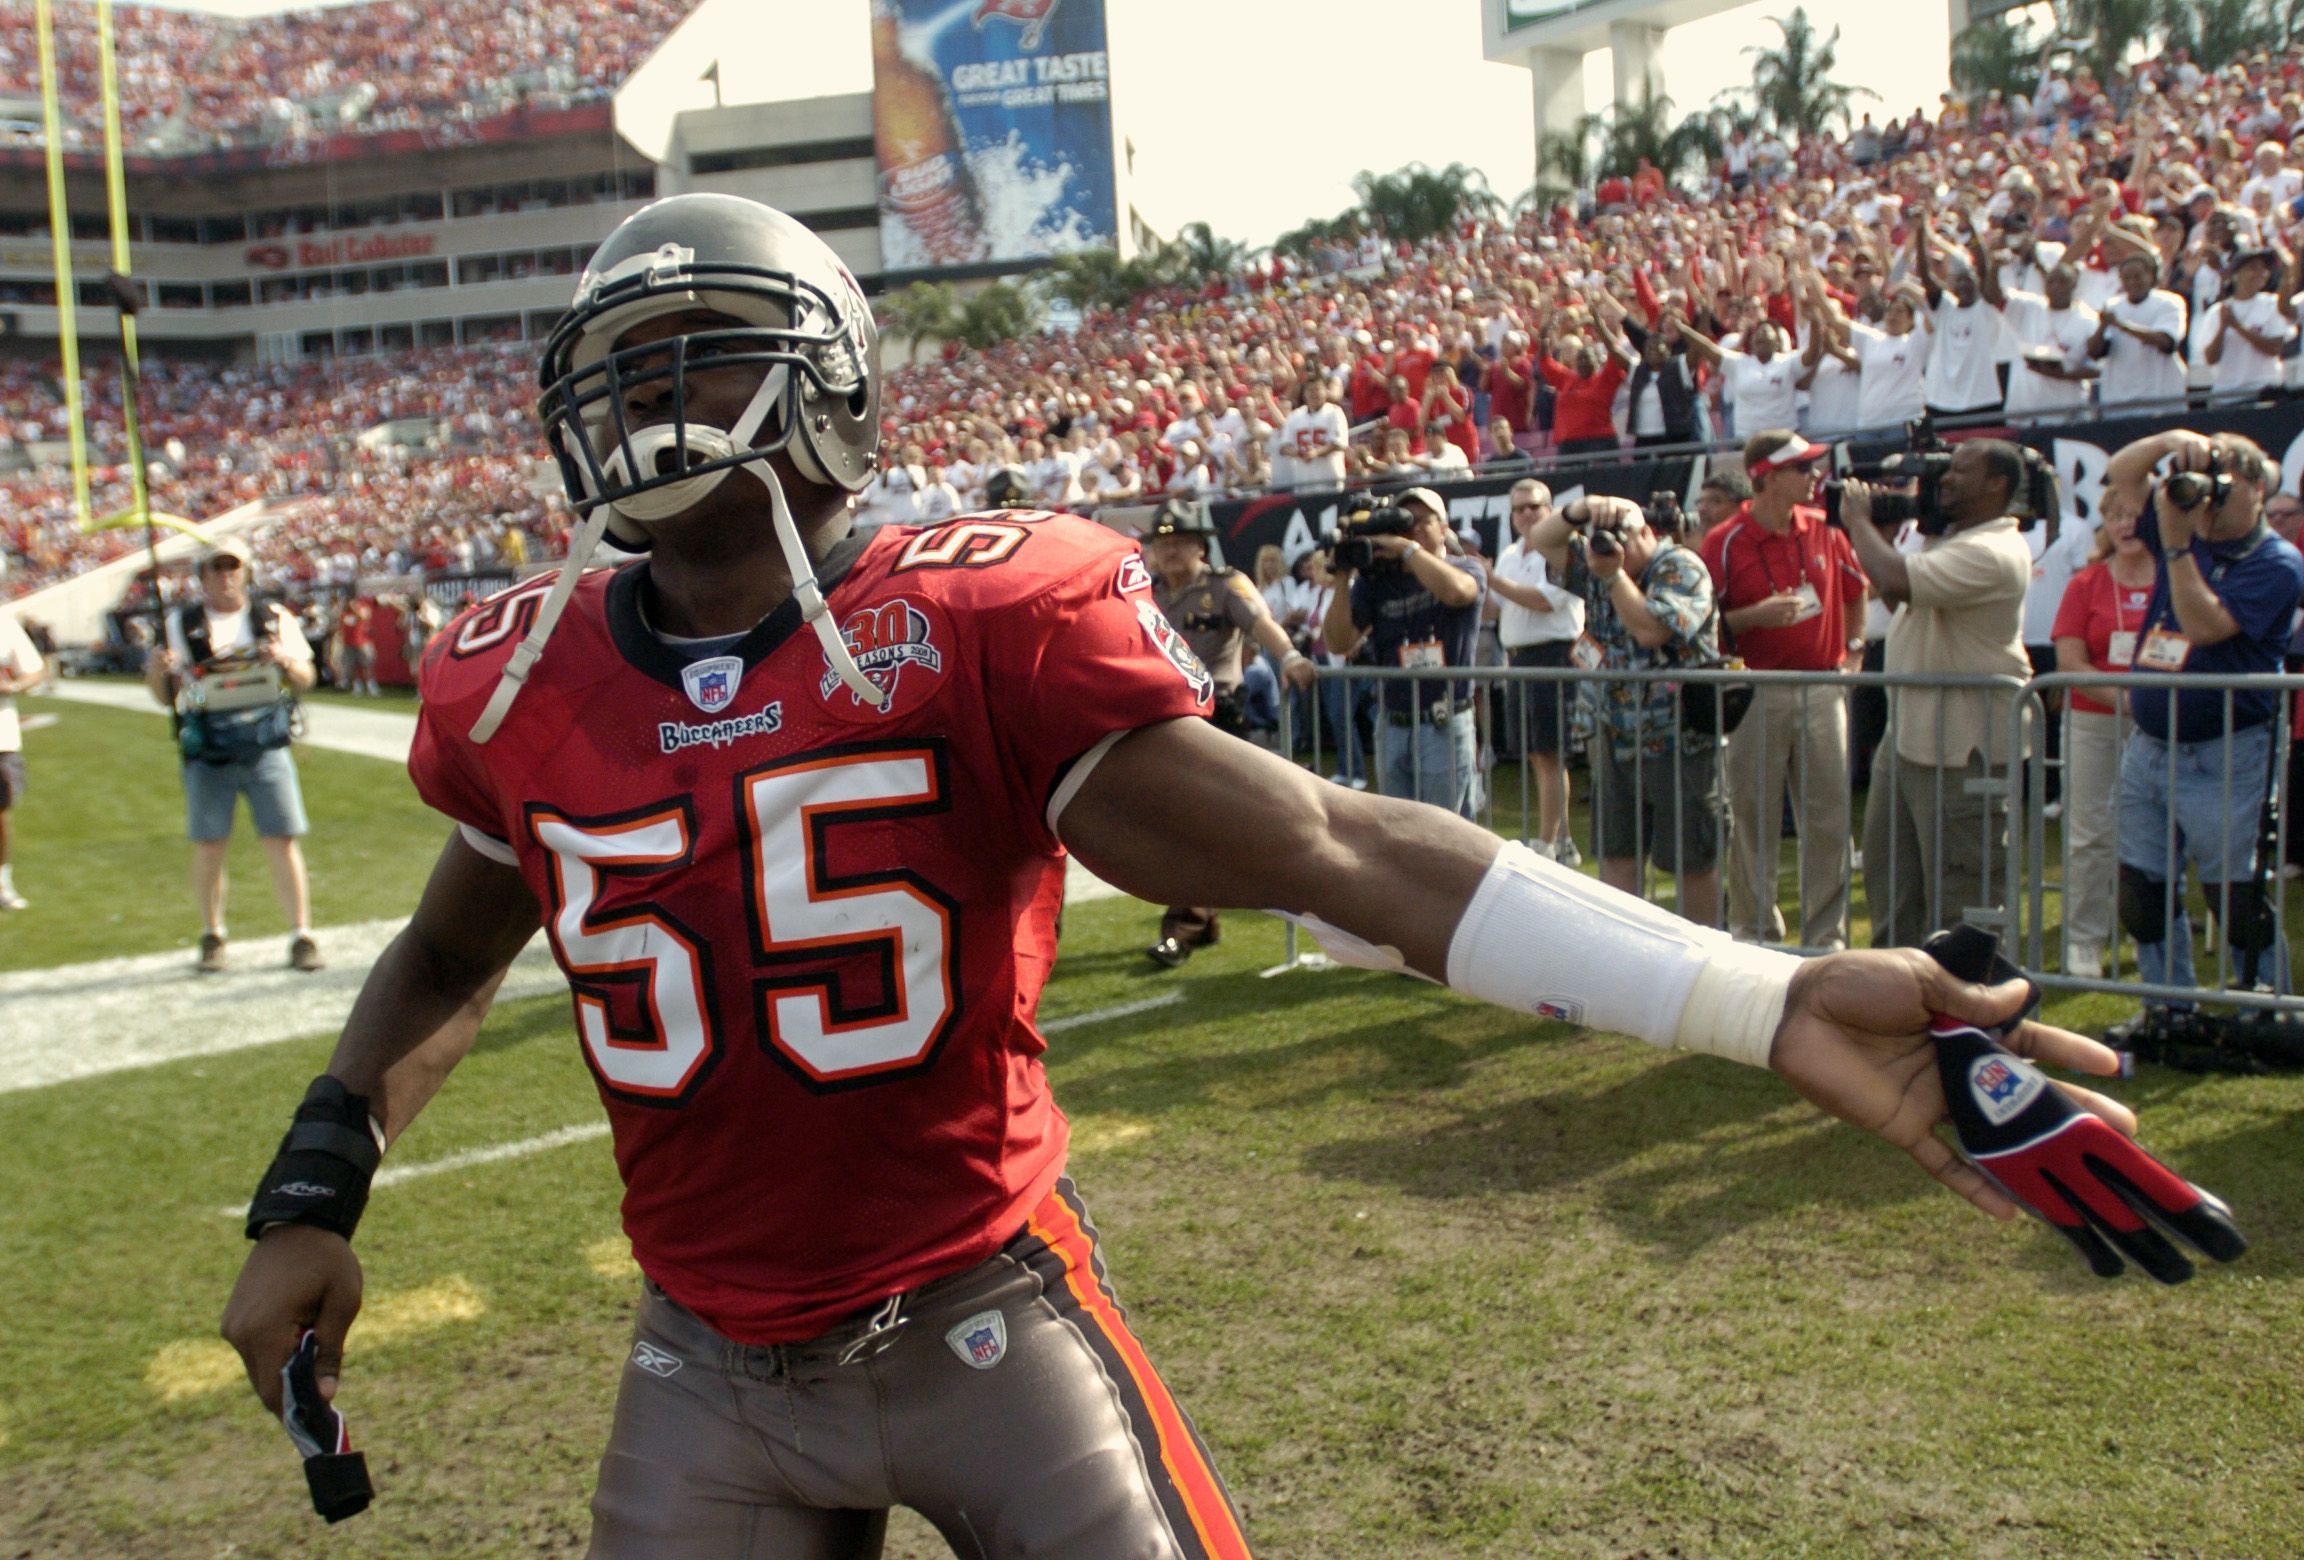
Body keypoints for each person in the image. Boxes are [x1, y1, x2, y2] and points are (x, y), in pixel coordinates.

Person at [220, 195, 2141, 1560]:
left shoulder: (969, 617)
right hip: (700, 1359)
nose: (651, 408)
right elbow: (451, 948)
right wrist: (318, 1178)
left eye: (700, 359)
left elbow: (1334, 850)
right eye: (620, 370)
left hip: (980, 1316)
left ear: (825, 386)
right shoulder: (522, 670)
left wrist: (1759, 995)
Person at [2100, 429, 2304, 1011]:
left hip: (2229, 749)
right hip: (2152, 742)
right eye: (2205, 493)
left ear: (2260, 492)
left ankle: (2264, 1008)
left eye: (2224, 494)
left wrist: (2176, 547)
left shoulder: (2277, 562)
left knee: (2233, 895)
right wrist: (2170, 440)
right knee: (2142, 890)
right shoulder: (2184, 532)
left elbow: (2205, 627)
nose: (2208, 507)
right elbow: (2121, 471)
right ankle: (2168, 1006)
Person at [1842, 443, 2034, 948]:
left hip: (1963, 748)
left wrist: (1858, 520)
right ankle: (1897, 1004)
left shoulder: (1992, 550)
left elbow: (1895, 580)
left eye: (1960, 471)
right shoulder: (1952, 542)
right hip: (1908, 738)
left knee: (1962, 896)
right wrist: (1881, 536)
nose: (1945, 479)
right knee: (1892, 885)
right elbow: (1903, 597)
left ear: (1997, 484)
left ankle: (1973, 1012)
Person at [1700, 432, 1869, 950]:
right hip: (1755, 689)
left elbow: (1857, 593)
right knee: (1753, 818)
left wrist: (1854, 656)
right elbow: (1703, 623)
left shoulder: (1825, 529)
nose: (1815, 475)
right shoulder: (1724, 540)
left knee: (1829, 818)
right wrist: (1752, 617)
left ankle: (1826, 937)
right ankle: (1754, 933)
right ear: (1767, 476)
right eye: (1803, 467)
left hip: (1823, 686)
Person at [1528, 494, 1722, 927]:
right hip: (1615, 735)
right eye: (1604, 541)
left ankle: (1707, 958)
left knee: (1692, 857)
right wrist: (1581, 509)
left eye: (1623, 539)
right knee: (1617, 850)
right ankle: (1624, 953)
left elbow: (1651, 630)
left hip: (1679, 737)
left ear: (1646, 532)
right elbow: (1541, 539)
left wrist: (1614, 576)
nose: (1612, 549)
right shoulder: (1598, 564)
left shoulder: (1680, 567)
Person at [1142, 501, 1314, 967]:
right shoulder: (1144, 592)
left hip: (1215, 713)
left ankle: (1184, 926)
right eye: (1163, 543)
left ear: (1201, 545)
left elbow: (1262, 623)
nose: (1171, 551)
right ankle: (1205, 920)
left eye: (1180, 542)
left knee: (1193, 823)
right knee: (1186, 824)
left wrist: (1291, 656)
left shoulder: (1224, 585)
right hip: (1160, 717)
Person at [143, 539, 323, 974]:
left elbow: (305, 678)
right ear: (202, 575)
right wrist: (157, 670)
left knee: (282, 839)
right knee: (209, 844)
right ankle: (212, 933)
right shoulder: (179, 623)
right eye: (216, 567)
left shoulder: (273, 618)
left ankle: (301, 934)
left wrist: (283, 660)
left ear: (246, 572)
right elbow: (164, 696)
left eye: (232, 566)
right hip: (208, 747)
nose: (225, 574)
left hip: (265, 743)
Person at [1322, 486, 1488, 818]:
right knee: (1399, 828)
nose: (1412, 528)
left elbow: (1458, 594)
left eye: (1421, 521)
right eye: (1405, 522)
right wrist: (1342, 577)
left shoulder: (1466, 567)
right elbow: (1338, 642)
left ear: (1444, 527)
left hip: (1444, 718)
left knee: (1444, 831)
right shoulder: (1377, 583)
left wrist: (1407, 549)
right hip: (1393, 722)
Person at [2051, 486, 2154, 978]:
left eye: (2135, 514)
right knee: (2089, 832)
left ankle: (2148, 930)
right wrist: (2128, 701)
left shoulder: (2176, 581)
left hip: (2161, 726)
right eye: (2115, 515)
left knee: (2154, 832)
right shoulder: (2085, 584)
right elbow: (2070, 660)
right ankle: (2084, 938)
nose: (2125, 524)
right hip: (2093, 721)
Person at [1487, 478, 1584, 863]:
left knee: (1549, 752)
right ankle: (1560, 839)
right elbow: (1497, 606)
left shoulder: (1561, 550)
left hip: (1553, 655)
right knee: (1534, 753)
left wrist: (1490, 578)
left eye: (1534, 506)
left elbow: (1544, 602)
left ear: (1551, 510)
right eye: (1519, 508)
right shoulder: (1511, 552)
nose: (1526, 514)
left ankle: (1549, 841)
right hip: (1518, 658)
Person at [2089, 254, 2188, 409]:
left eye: (2137, 276)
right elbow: (2095, 352)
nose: (2132, 282)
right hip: (2118, 400)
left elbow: (2167, 342)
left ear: (2150, 275)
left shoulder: (2169, 302)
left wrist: (2123, 326)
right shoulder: (2112, 305)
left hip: (2160, 398)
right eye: (2126, 278)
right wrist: (2102, 326)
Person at [0, 573, 44, 911]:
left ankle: (3, 880)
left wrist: (12, 687)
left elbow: (33, 669)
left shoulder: (5, 623)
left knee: (1, 813)